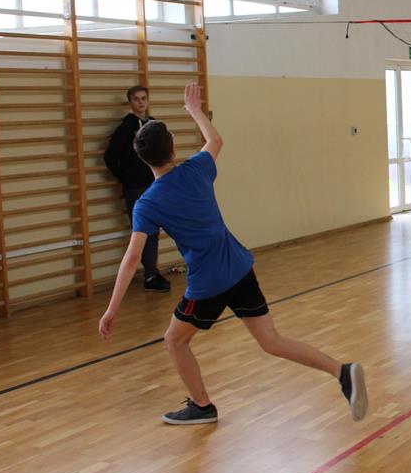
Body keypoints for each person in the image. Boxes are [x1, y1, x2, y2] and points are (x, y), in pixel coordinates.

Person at [97, 83, 368, 425]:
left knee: (174, 341)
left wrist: (112, 310)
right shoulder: (197, 169)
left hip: (207, 285)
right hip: (240, 268)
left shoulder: (147, 203)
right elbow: (215, 140)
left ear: (142, 158)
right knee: (271, 341)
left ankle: (202, 406)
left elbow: (132, 258)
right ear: (174, 149)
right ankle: (342, 372)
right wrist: (195, 111)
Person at [104, 85, 170, 292]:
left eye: (143, 98)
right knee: (142, 230)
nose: (141, 102)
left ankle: (152, 273)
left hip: (155, 186)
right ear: (130, 102)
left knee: (155, 229)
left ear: (148, 101)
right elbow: (109, 157)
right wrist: (127, 178)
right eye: (136, 99)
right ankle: (150, 274)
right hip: (136, 189)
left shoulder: (155, 125)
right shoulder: (125, 128)